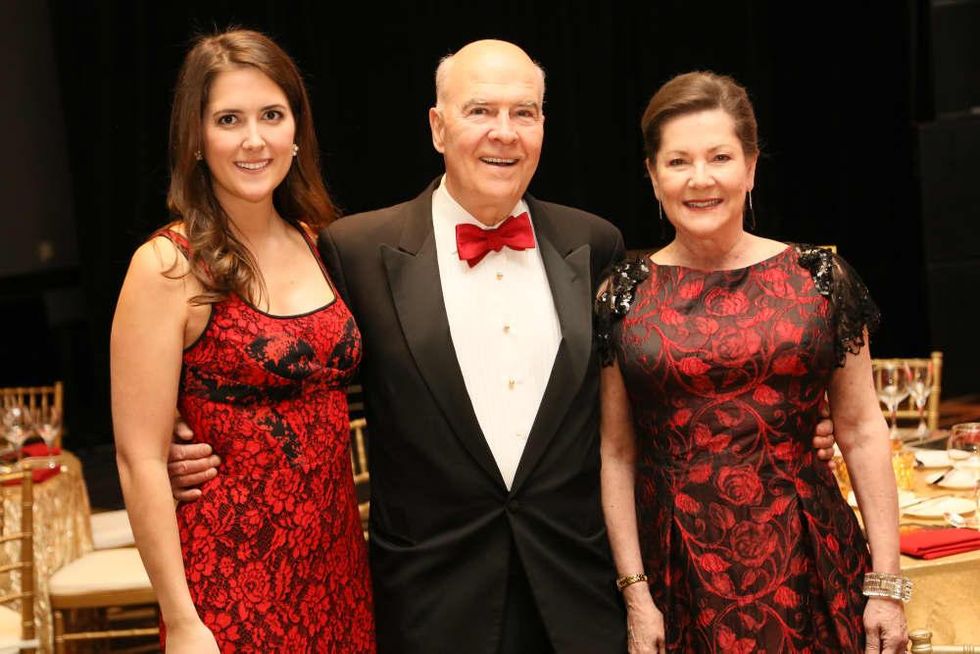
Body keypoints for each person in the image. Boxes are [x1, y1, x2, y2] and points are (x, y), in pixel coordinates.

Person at [168, 42, 840, 653]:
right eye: (480, 111)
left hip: (580, 598)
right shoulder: (357, 251)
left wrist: (792, 413)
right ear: (438, 127)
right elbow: (292, 361)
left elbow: (657, 381)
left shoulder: (595, 245)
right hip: (431, 604)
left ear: (544, 126)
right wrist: (183, 426)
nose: (504, 131)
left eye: (524, 113)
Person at [595, 71, 908, 653]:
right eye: (678, 161)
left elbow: (863, 430)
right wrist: (636, 594)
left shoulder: (820, 278)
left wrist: (887, 587)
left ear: (751, 167)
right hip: (678, 569)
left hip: (810, 556)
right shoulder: (624, 294)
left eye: (720, 157)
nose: (701, 179)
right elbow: (617, 452)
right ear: (653, 176)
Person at [111, 29, 374, 653]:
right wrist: (181, 621)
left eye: (271, 116)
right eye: (229, 120)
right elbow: (139, 460)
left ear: (296, 131)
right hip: (229, 587)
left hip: (339, 574)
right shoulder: (168, 266)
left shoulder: (321, 243)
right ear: (196, 140)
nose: (254, 140)